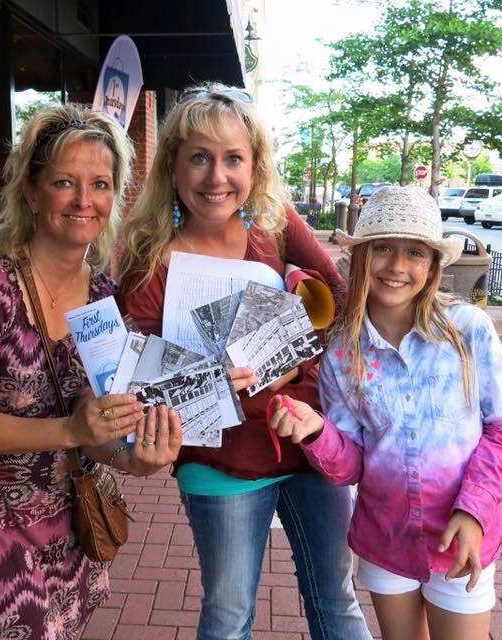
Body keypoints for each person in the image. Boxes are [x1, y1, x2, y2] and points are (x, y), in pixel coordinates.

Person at [0, 103, 183, 640]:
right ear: (32, 194)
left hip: (64, 519)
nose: (85, 200)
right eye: (65, 182)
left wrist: (136, 458)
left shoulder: (103, 297)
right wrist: (71, 431)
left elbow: (91, 418)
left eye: (101, 184)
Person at [119, 83, 371, 640]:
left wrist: (295, 357)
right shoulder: (150, 257)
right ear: (174, 166)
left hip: (308, 442)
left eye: (233, 158)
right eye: (200, 158)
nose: (216, 178)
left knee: (338, 600)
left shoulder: (276, 228)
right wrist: (205, 386)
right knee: (229, 613)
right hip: (220, 458)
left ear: (254, 166)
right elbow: (138, 372)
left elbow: (341, 303)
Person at [268, 186, 502, 640]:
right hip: (386, 537)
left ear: (432, 265)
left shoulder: (468, 331)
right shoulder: (340, 353)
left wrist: (473, 511)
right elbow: (352, 463)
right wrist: (316, 432)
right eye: (384, 249)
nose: (397, 266)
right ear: (362, 257)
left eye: (415, 253)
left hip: (462, 536)